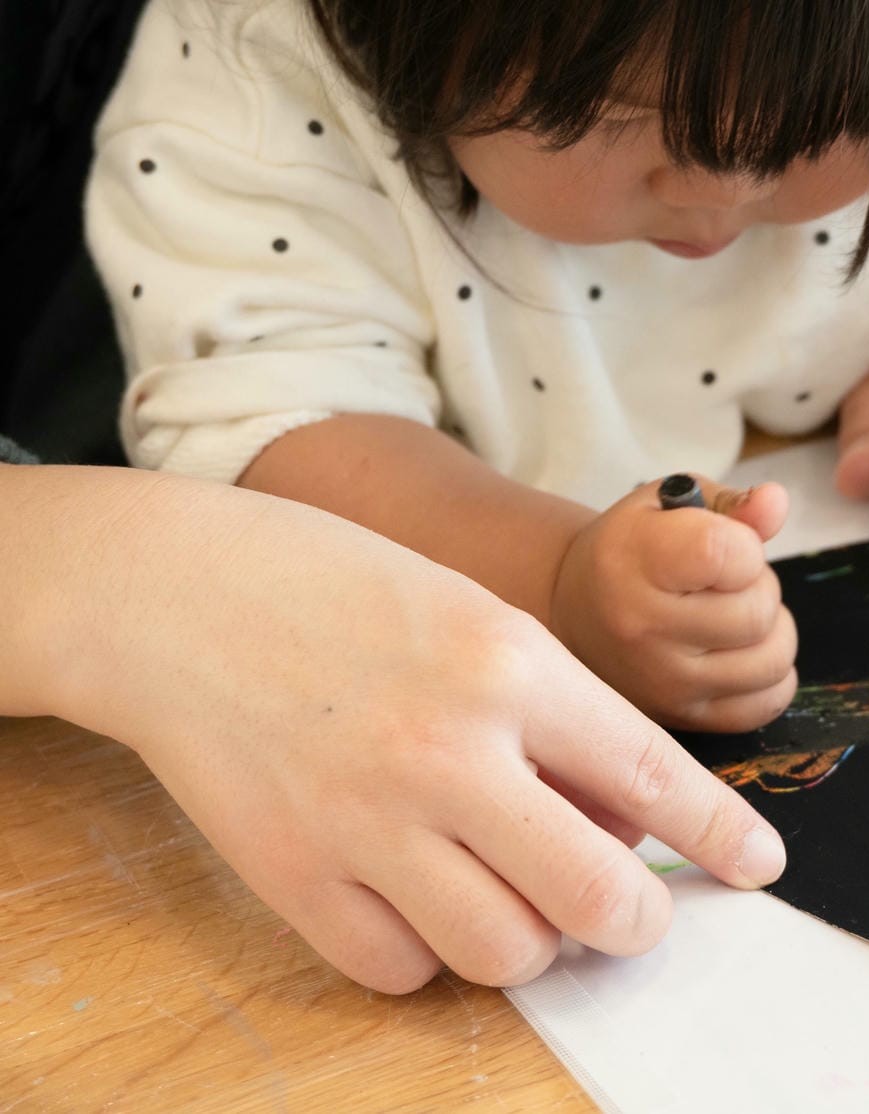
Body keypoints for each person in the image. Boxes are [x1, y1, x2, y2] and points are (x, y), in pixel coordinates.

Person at [86, 0, 869, 732]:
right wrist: (555, 578)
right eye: (610, 120)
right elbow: (267, 419)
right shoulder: (262, 57)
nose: (716, 193)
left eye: (819, 128)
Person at [1, 2, 786, 996]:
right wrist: (147, 587)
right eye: (619, 114)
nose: (724, 192)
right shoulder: (257, 76)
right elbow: (276, 397)